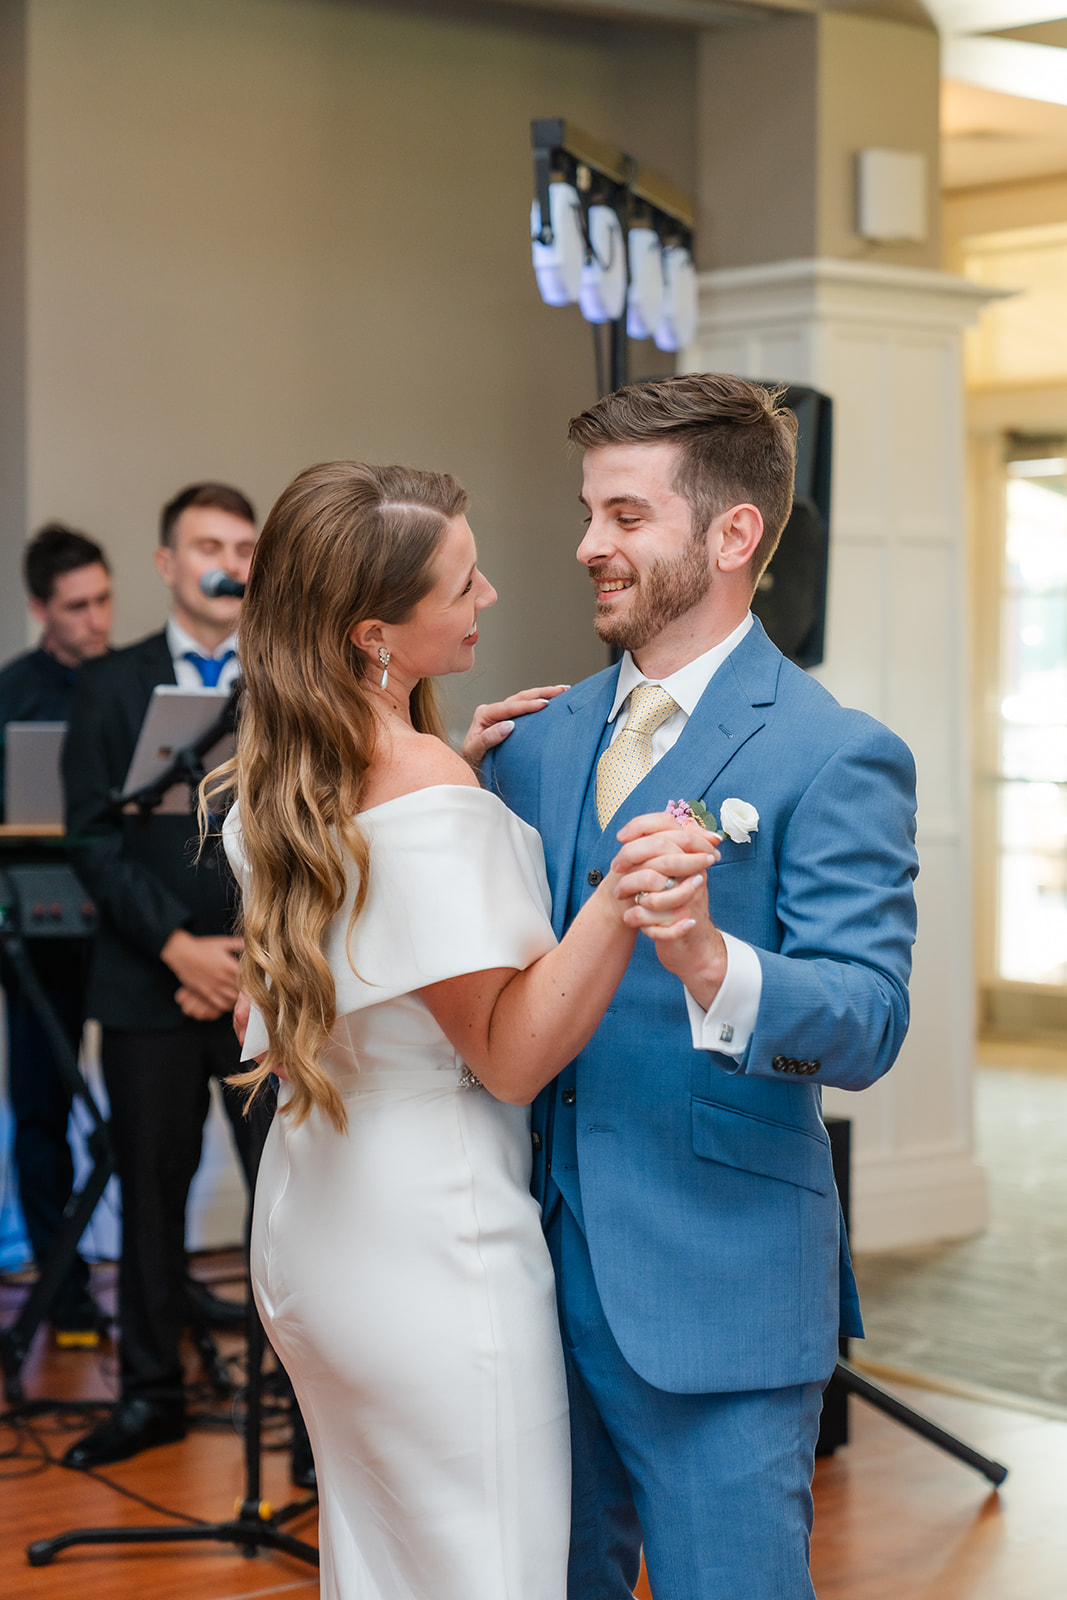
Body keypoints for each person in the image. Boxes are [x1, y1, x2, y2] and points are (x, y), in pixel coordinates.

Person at [218, 460, 716, 1600]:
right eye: (461, 580)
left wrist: (462, 788)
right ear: (372, 633)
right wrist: (614, 891)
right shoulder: (422, 783)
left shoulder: (283, 772)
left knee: (386, 1568)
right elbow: (507, 1054)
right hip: (432, 1253)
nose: (489, 592)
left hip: (315, 1230)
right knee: (491, 1573)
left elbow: (360, 931)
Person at [480, 373, 919, 1600]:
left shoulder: (834, 751)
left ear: (732, 535)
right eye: (586, 514)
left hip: (715, 1289)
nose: (586, 548)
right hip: (520, 1281)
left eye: (625, 518)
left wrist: (715, 965)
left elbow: (868, 1020)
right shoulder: (536, 740)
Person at [60, 482, 270, 1468]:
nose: (228, 560)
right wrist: (181, 951)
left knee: (288, 1199)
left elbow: (306, 827)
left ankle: (303, 1416)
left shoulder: (281, 677)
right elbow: (92, 841)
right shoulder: (109, 686)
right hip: (150, 987)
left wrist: (243, 960)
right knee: (151, 1194)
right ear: (166, 563)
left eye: (242, 544)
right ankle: (152, 1395)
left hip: (264, 986)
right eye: (208, 544)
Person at [0, 523, 113, 1342]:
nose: (96, 620)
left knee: (156, 1109)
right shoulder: (14, 693)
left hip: (128, 921)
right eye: (77, 607)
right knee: (42, 1110)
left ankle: (160, 1288)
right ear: (41, 608)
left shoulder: (130, 685)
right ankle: (64, 1293)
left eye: (104, 601)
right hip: (40, 924)